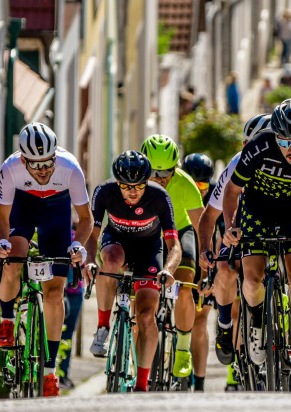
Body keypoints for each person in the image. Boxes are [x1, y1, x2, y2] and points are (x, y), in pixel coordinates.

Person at [222, 99, 291, 377]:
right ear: (274, 136)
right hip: (256, 212)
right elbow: (233, 191)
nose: (290, 149)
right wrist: (230, 226)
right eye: (283, 141)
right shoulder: (258, 148)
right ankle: (258, 324)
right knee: (251, 278)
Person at [0, 122, 93, 397]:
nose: (43, 171)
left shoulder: (70, 168)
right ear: (23, 159)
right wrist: (2, 243)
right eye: (35, 165)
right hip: (23, 207)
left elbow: (86, 219)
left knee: (54, 292)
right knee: (13, 257)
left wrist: (76, 245)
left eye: (48, 163)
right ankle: (7, 319)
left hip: (56, 211)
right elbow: (1, 217)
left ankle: (49, 373)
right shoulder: (10, 168)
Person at [85, 150, 180, 392]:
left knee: (147, 317)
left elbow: (174, 244)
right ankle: (103, 327)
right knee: (112, 262)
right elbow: (92, 235)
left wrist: (168, 270)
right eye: (126, 186)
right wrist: (88, 261)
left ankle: (141, 385)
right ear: (117, 182)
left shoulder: (159, 196)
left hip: (149, 248)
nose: (133, 191)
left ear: (147, 181)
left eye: (139, 185)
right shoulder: (104, 192)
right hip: (116, 243)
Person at [197, 114, 271, 388]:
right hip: (241, 230)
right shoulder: (237, 165)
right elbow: (209, 216)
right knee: (226, 270)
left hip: (274, 229)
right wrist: (206, 250)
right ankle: (226, 326)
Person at [140, 135, 204, 379]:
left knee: (185, 285)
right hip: (148, 232)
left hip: (180, 231)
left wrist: (206, 264)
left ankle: (183, 348)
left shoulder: (186, 183)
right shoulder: (136, 182)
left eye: (166, 172)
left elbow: (201, 226)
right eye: (154, 173)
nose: (160, 179)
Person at [182, 152, 216, 392]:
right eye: (194, 184)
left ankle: (200, 382)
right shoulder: (178, 191)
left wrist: (210, 277)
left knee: (200, 319)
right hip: (182, 258)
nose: (199, 190)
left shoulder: (215, 196)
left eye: (203, 185)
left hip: (205, 262)